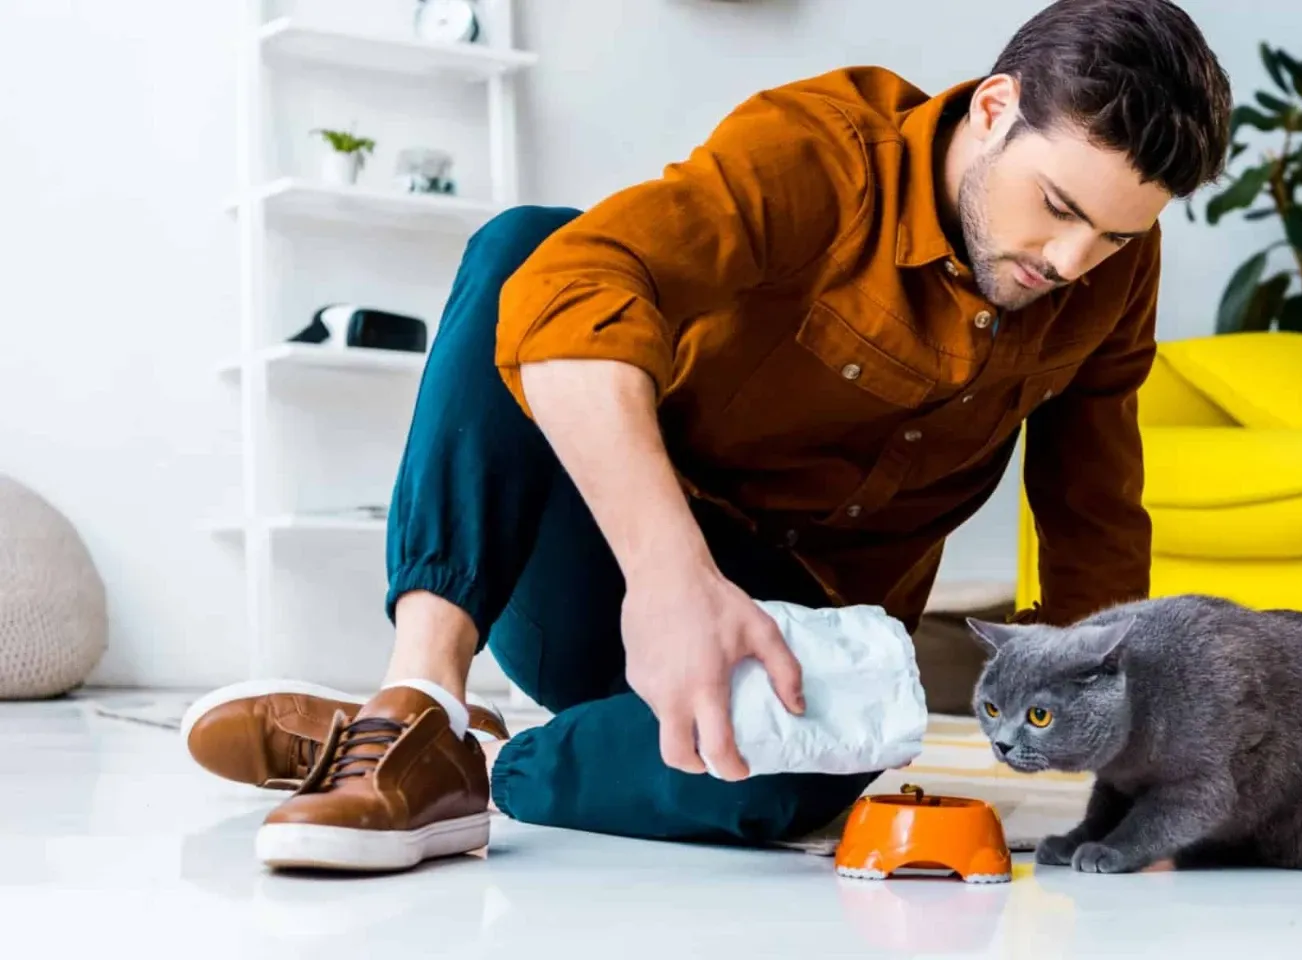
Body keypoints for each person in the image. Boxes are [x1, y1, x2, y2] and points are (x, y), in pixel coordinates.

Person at [182, 0, 1233, 872]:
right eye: (1056, 206)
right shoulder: (824, 149)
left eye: (1116, 233)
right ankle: (420, 692)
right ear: (997, 108)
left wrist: (1135, 773)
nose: (1072, 257)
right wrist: (672, 576)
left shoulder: (1108, 270)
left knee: (786, 784)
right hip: (614, 580)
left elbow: (1094, 508)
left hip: (811, 629)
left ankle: (457, 762)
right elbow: (574, 289)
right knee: (529, 249)